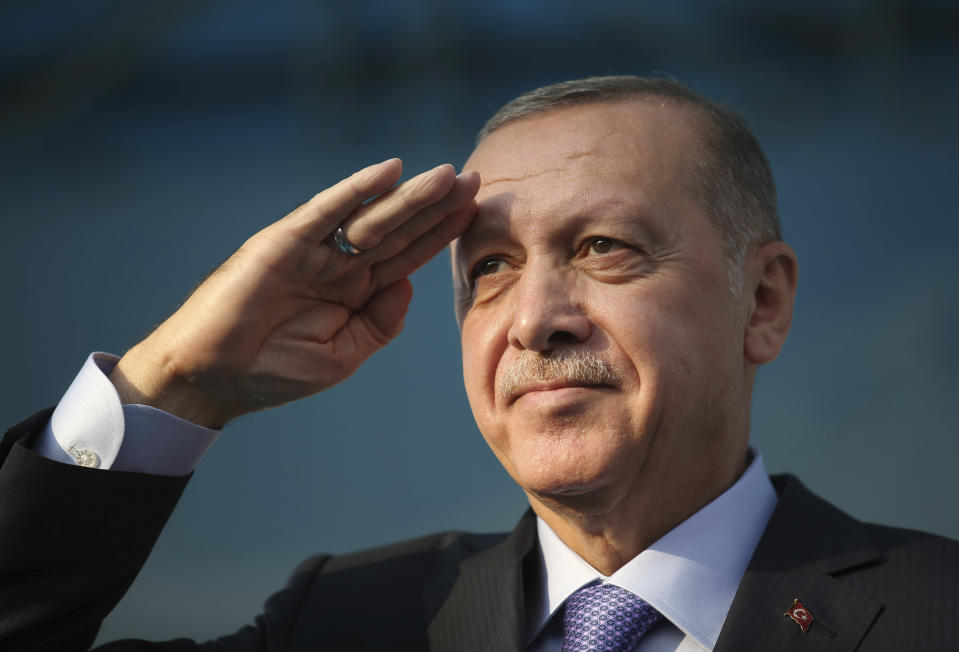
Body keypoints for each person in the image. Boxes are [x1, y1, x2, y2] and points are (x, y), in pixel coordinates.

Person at [0, 76, 955, 651]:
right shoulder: (344, 623)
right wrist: (175, 382)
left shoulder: (932, 612)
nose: (535, 319)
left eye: (603, 247)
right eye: (489, 270)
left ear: (763, 300)